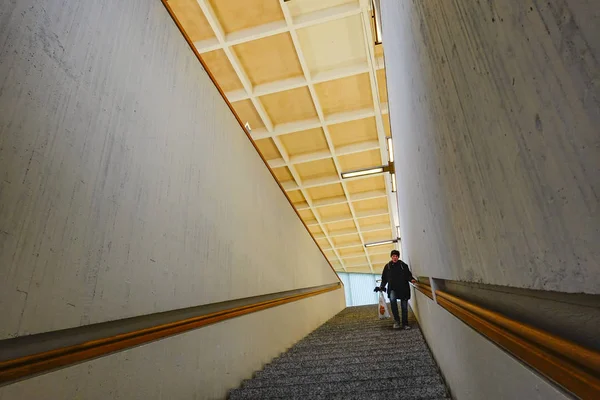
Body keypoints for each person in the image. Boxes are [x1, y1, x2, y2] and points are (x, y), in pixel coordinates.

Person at [374, 250, 416, 330]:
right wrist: (381, 287)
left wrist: (412, 280)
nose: (395, 257)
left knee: (404, 307)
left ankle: (405, 323)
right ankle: (397, 321)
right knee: (393, 303)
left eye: (396, 256)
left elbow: (408, 275)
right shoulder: (388, 266)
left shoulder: (403, 265)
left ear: (398, 257)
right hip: (393, 289)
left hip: (404, 288)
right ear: (391, 257)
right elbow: (384, 278)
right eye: (393, 256)